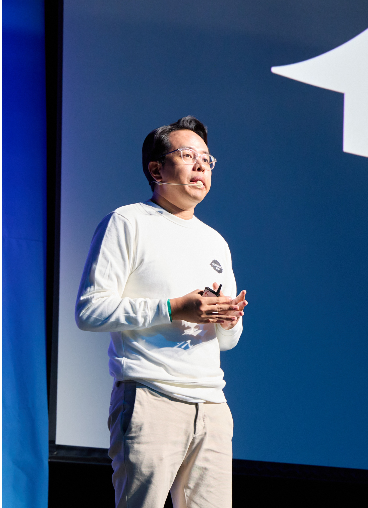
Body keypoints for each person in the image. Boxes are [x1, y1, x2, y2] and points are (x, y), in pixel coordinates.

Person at [75, 116, 247, 508]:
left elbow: (227, 342)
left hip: (212, 405)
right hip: (150, 396)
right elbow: (90, 310)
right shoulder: (127, 222)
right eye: (188, 155)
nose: (201, 165)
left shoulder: (215, 241)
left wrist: (227, 320)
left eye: (207, 159)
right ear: (156, 170)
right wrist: (175, 308)